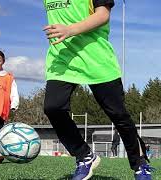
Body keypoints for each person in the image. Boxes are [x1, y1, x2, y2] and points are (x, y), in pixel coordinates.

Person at [42, 1, 152, 179]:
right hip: (62, 60)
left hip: (96, 58)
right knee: (53, 107)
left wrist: (69, 30)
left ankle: (140, 165)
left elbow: (103, 15)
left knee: (118, 115)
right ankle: (85, 156)